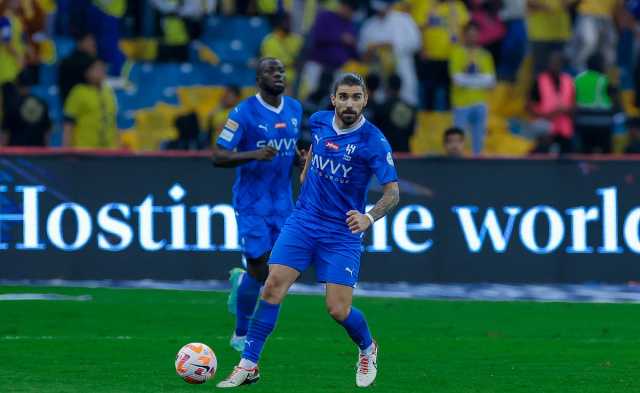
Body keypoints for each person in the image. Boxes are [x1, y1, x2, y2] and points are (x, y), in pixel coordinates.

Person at [216, 73, 400, 389]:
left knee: (338, 310)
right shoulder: (317, 121)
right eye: (343, 96)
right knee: (272, 286)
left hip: (341, 233)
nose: (349, 103)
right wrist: (306, 169)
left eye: (356, 97)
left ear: (365, 100)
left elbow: (392, 193)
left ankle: (368, 348)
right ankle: (249, 364)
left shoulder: (374, 141)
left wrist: (369, 218)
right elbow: (315, 151)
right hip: (303, 221)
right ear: (333, 99)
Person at [211, 57, 304, 353]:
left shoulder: (294, 109)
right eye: (270, 71)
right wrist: (253, 154)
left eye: (281, 70)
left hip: (283, 202)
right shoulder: (243, 112)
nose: (278, 74)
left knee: (276, 272)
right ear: (258, 79)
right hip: (252, 203)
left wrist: (299, 160)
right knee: (259, 266)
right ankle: (240, 333)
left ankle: (244, 285)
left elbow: (287, 154)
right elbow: (218, 155)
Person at [359, 0, 421, 106]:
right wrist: (372, 50)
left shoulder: (404, 19)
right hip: (378, 72)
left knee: (406, 102)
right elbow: (362, 51)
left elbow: (417, 43)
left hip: (402, 68)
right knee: (380, 104)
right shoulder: (369, 25)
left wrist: (392, 46)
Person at [450, 21, 495, 155]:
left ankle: (478, 167)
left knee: (479, 142)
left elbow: (490, 81)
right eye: (469, 35)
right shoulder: (456, 53)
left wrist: (467, 80)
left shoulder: (485, 55)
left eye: (474, 35)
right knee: (457, 141)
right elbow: (456, 79)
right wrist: (479, 80)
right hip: (461, 104)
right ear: (464, 35)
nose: (472, 38)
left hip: (480, 103)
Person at [414, 0, 470, 110]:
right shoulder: (424, 3)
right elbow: (417, 28)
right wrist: (421, 48)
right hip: (430, 56)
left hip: (453, 57)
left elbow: (465, 30)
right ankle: (427, 122)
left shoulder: (458, 5)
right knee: (428, 93)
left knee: (450, 94)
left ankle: (448, 121)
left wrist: (464, 54)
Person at [63, 58, 119, 148]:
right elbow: (69, 124)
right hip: (85, 151)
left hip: (110, 151)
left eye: (102, 67)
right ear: (87, 72)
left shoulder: (109, 92)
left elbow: (113, 121)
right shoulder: (78, 92)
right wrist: (67, 149)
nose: (101, 71)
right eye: (96, 68)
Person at [528, 50, 575, 154]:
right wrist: (545, 115)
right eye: (553, 62)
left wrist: (566, 110)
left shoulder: (568, 80)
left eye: (558, 63)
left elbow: (574, 105)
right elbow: (530, 105)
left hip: (564, 129)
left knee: (568, 156)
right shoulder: (540, 80)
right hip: (545, 128)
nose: (555, 65)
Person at [0, 69, 51, 146]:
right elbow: (47, 132)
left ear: (17, 85)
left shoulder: (11, 105)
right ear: (30, 85)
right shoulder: (42, 103)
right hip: (38, 153)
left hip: (16, 153)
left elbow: (5, 133)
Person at [374, 74, 416, 152]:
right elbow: (412, 132)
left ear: (388, 87)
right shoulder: (410, 108)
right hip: (405, 152)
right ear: (400, 87)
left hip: (387, 153)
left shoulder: (381, 108)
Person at [58, 31, 97, 103]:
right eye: (89, 41)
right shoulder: (76, 62)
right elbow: (95, 79)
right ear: (79, 43)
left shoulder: (70, 59)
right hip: (77, 101)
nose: (92, 44)